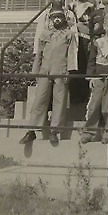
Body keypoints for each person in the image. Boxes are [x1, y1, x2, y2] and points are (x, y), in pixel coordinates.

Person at [20, 8, 78, 145]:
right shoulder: (45, 34)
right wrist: (36, 71)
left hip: (60, 70)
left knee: (60, 99)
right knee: (40, 99)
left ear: (64, 18)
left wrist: (69, 71)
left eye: (59, 17)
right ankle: (32, 130)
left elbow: (71, 54)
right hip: (45, 71)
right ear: (50, 20)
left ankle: (54, 130)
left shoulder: (69, 35)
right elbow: (39, 54)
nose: (57, 19)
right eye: (54, 17)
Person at [80, 13, 108, 144]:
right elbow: (91, 61)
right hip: (98, 77)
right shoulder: (97, 42)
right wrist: (91, 77)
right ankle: (89, 131)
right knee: (94, 104)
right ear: (104, 26)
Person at [68, 0, 94, 104]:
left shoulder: (91, 8)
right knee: (73, 67)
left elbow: (92, 26)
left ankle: (84, 98)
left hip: (85, 40)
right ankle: (74, 98)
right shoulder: (71, 7)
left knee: (84, 67)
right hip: (73, 41)